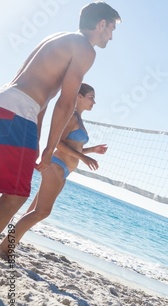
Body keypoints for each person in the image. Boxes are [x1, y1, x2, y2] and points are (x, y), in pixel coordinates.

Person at [0, 2, 120, 237]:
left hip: (8, 103)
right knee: (16, 194)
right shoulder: (85, 49)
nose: (111, 37)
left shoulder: (58, 38)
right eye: (112, 29)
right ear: (101, 24)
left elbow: (43, 97)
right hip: (21, 112)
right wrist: (50, 148)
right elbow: (64, 103)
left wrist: (36, 138)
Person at [0, 83, 107, 254]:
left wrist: (91, 150)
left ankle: (9, 244)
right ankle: (5, 248)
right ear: (79, 96)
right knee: (42, 212)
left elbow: (74, 148)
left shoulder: (79, 119)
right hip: (56, 166)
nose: (94, 102)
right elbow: (58, 142)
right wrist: (83, 157)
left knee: (33, 212)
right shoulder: (71, 116)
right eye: (91, 98)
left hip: (64, 171)